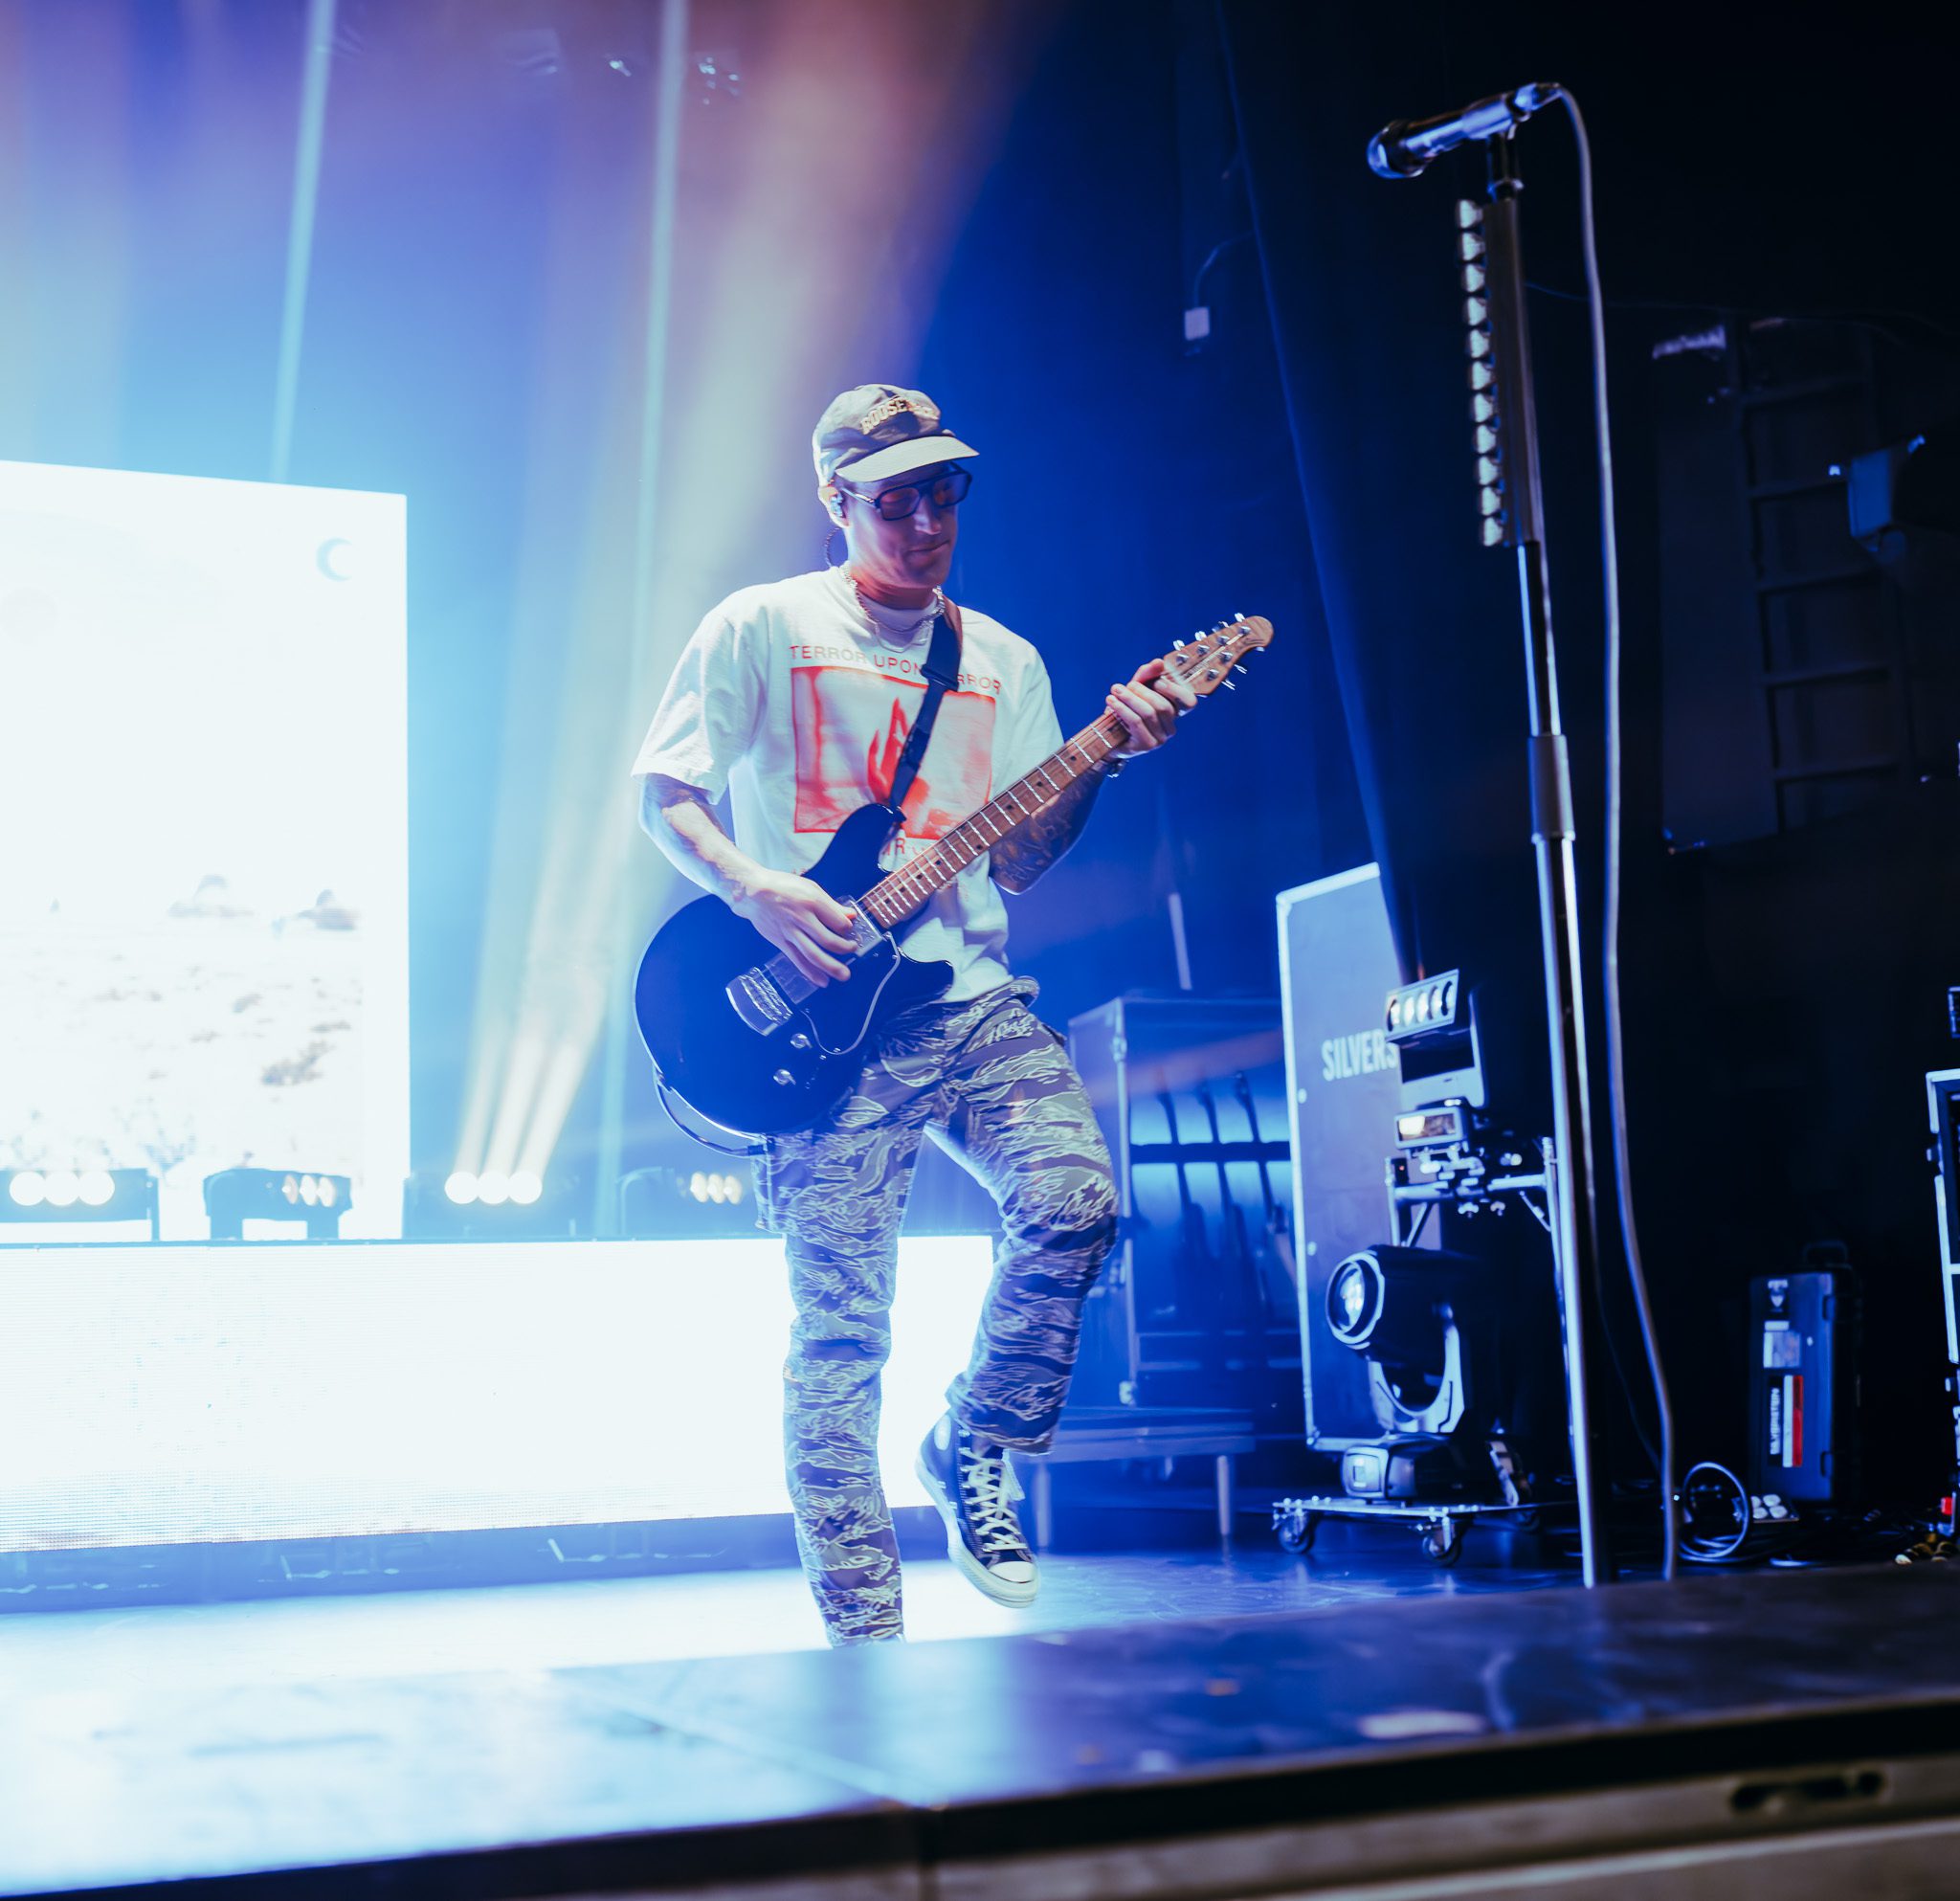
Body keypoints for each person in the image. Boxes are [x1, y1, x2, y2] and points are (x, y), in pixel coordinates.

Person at [631, 384, 1193, 1645]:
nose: (931, 520)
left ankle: (976, 1434)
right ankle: (863, 1640)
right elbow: (663, 793)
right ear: (837, 502)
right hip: (823, 1023)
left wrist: (1103, 749)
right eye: (898, 500)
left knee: (1076, 1203)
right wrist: (759, 887)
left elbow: (1028, 860)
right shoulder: (762, 627)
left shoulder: (1004, 661)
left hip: (970, 1000)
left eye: (947, 491)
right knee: (840, 1337)